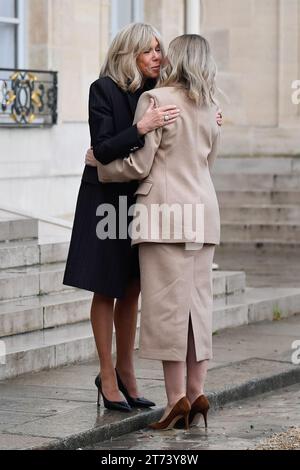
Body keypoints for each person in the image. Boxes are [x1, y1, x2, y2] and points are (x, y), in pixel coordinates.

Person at [85, 34, 221, 429]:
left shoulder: (157, 100)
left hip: (164, 216)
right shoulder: (213, 107)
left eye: (164, 51)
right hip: (204, 214)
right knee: (199, 309)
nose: (159, 57)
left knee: (167, 313)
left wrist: (102, 165)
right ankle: (198, 393)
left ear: (176, 59)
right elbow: (210, 159)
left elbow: (140, 166)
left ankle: (175, 400)